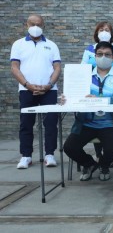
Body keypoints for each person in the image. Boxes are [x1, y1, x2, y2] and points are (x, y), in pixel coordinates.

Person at [63, 42, 113, 181]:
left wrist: (99, 99)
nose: (103, 57)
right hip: (87, 122)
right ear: (94, 56)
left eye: (107, 54)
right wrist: (67, 98)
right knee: (69, 147)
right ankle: (90, 164)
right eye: (99, 54)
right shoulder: (83, 75)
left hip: (110, 123)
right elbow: (75, 95)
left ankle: (104, 164)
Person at [10, 14, 61, 169]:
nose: (36, 27)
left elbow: (57, 67)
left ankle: (50, 154)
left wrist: (49, 84)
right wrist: (27, 84)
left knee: (51, 123)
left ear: (43, 25)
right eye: (33, 24)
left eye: (39, 24)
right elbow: (14, 67)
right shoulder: (18, 44)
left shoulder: (52, 45)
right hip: (26, 90)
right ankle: (26, 156)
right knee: (26, 124)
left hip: (49, 90)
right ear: (27, 24)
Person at [81, 21, 113, 168]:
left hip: (111, 91)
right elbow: (81, 73)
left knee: (110, 140)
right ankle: (98, 156)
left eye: (107, 30)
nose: (104, 32)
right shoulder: (89, 49)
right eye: (101, 29)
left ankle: (105, 160)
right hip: (92, 97)